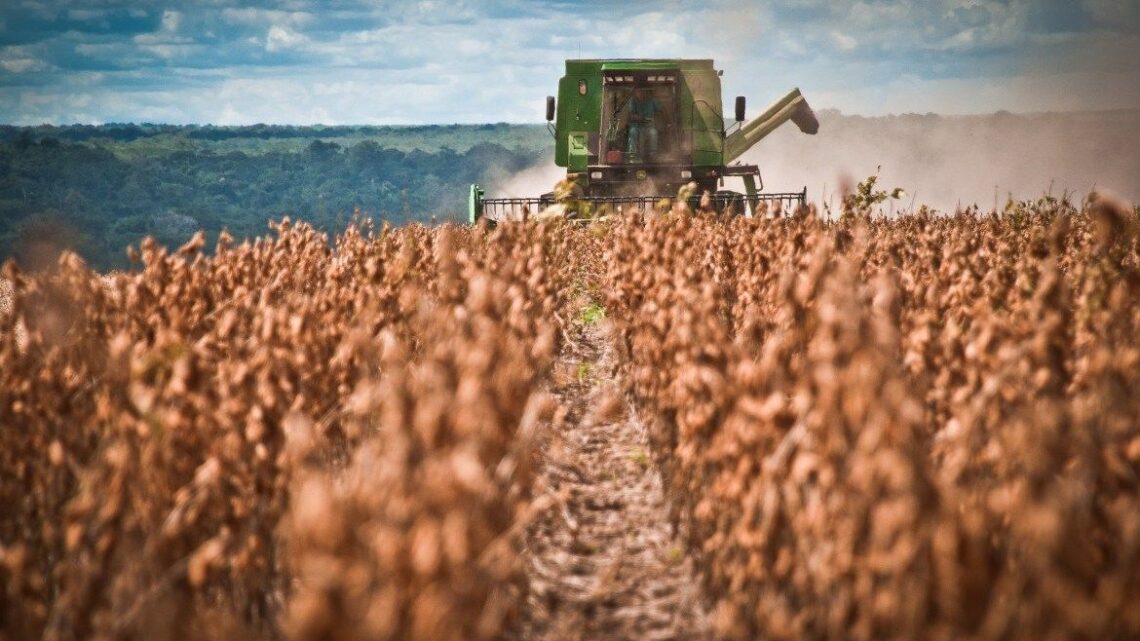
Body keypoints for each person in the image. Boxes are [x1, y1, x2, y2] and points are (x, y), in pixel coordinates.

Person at [627, 87, 660, 159]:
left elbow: (660, 112)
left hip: (649, 126)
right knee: (632, 132)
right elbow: (631, 116)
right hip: (636, 126)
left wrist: (668, 123)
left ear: (646, 91)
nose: (640, 93)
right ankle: (632, 154)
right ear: (635, 92)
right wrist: (644, 118)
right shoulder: (633, 101)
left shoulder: (653, 100)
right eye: (638, 91)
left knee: (654, 133)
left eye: (642, 91)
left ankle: (653, 154)